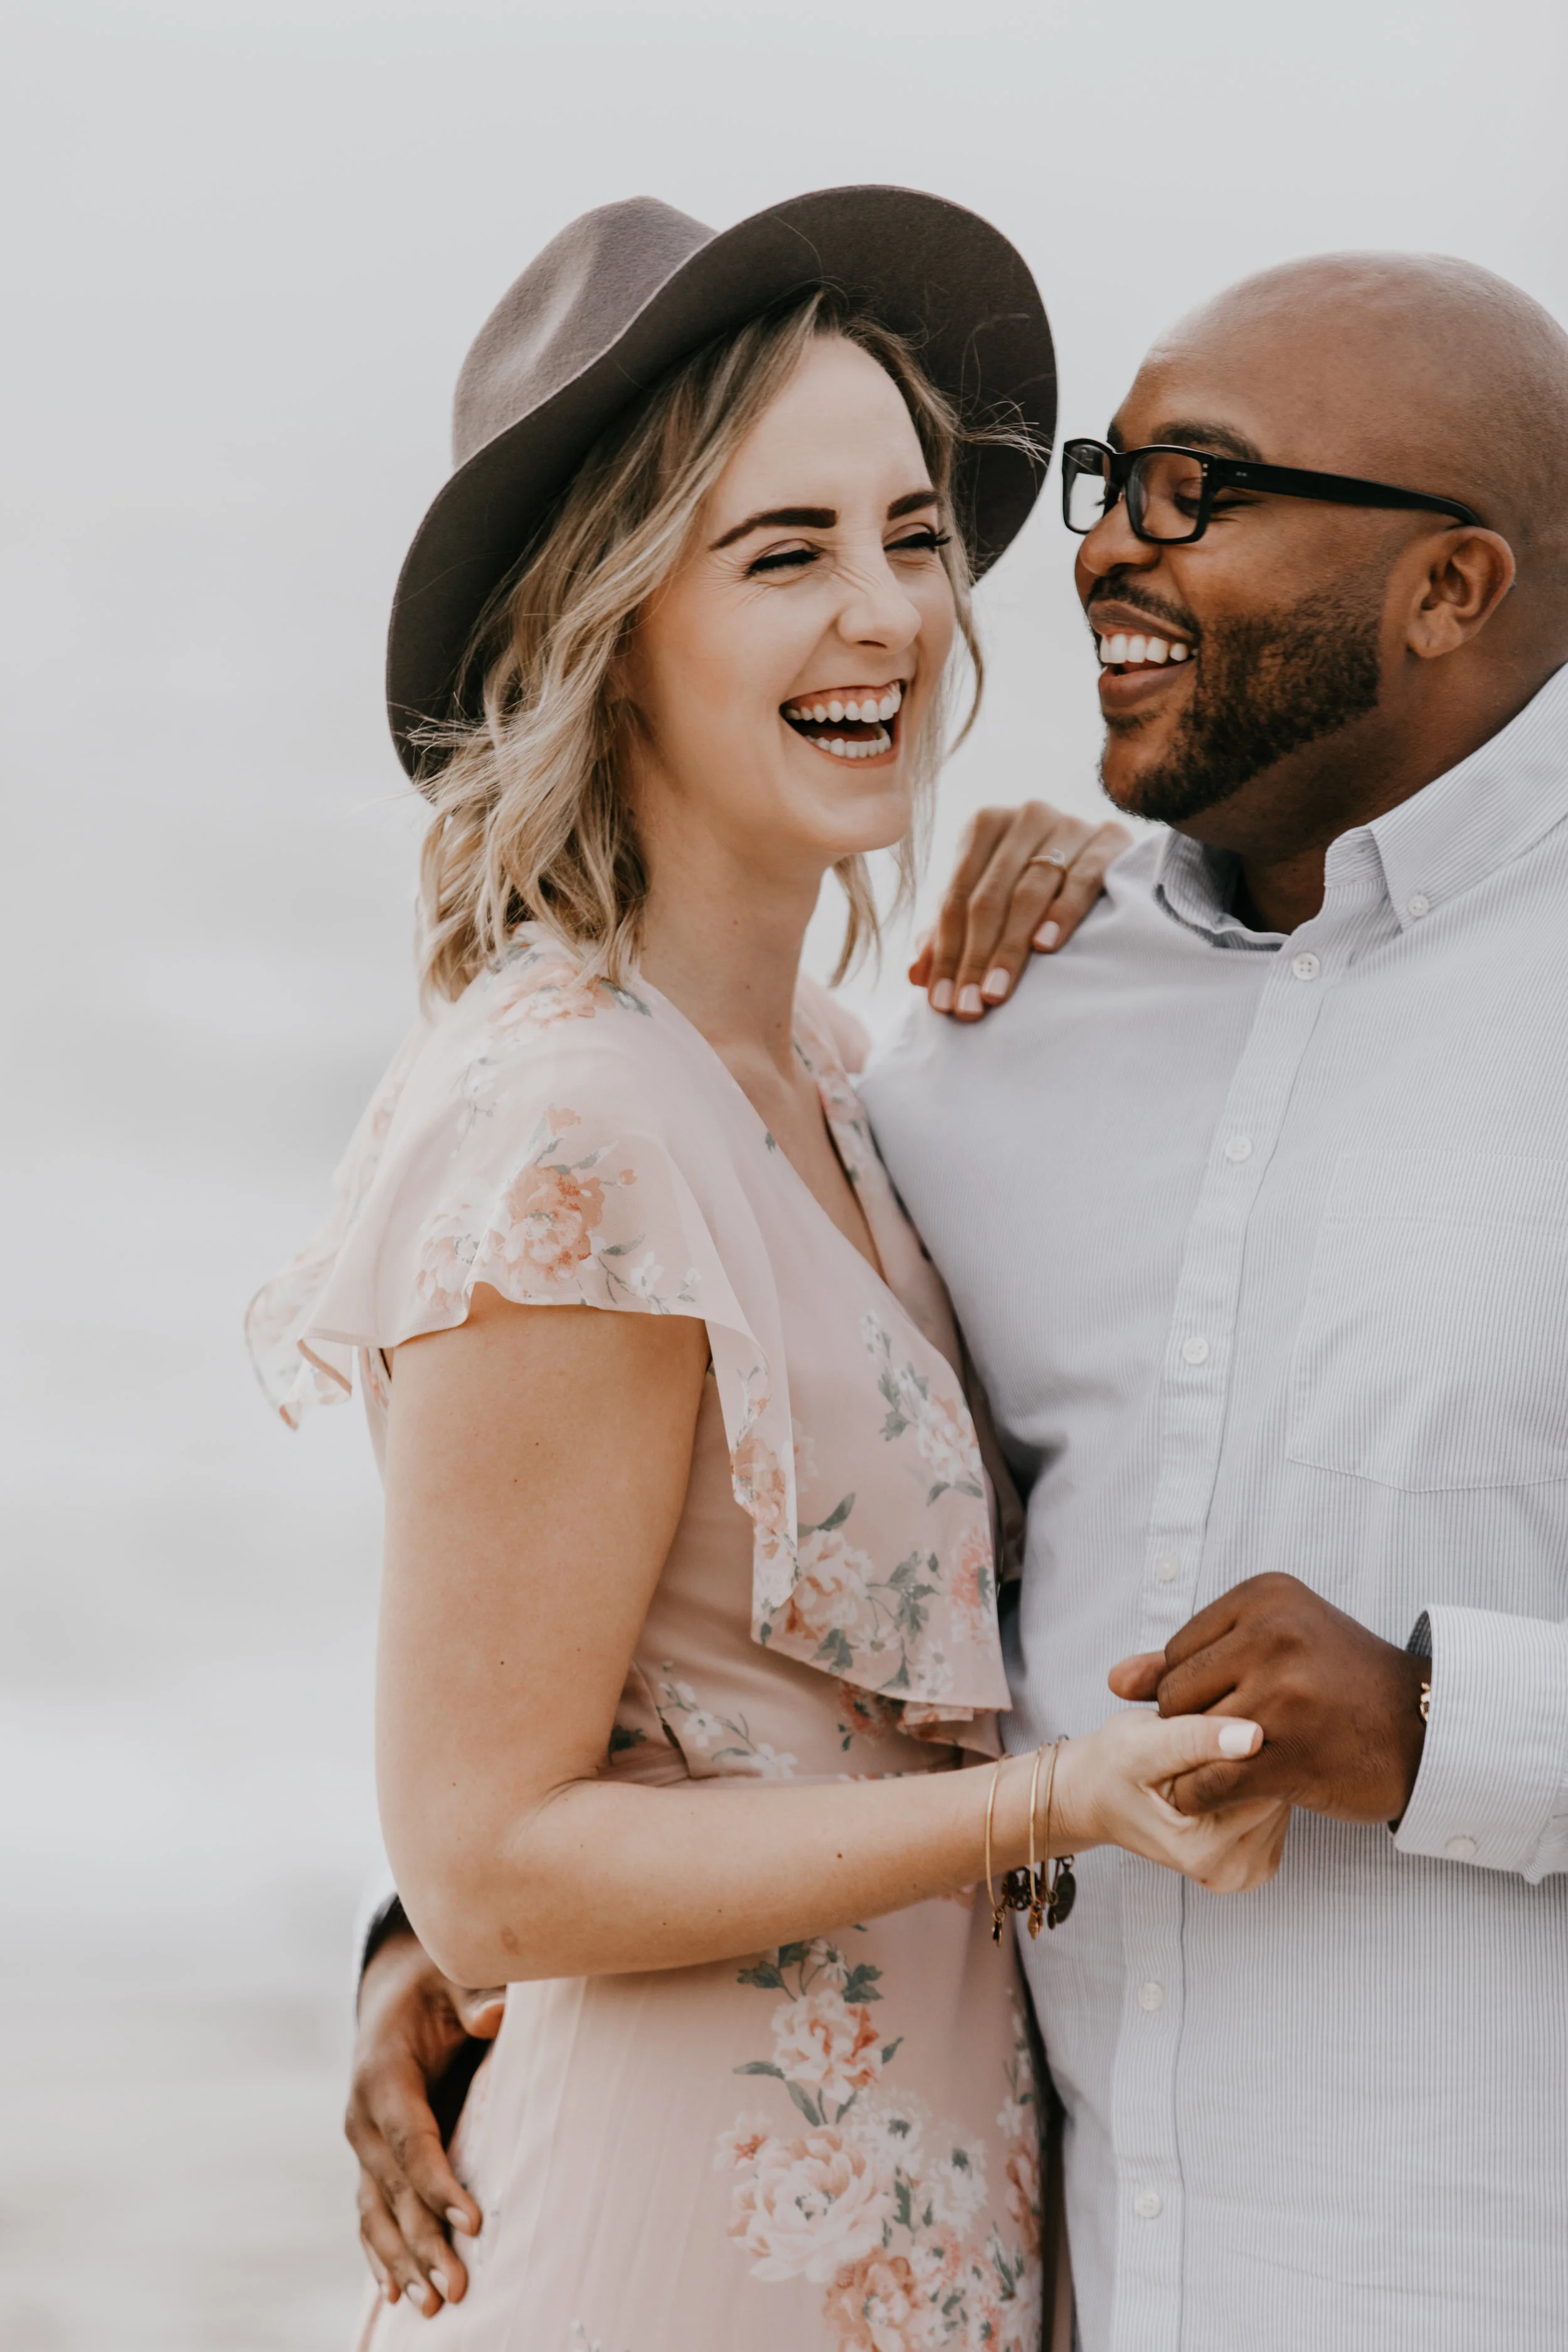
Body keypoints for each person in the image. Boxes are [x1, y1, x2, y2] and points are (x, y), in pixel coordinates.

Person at [355, 246, 1568, 2349]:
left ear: (1448, 587)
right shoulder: (958, 1044)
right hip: (822, 2252)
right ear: (612, 629)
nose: (1085, 552)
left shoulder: (850, 1074)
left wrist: (1449, 1723)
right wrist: (436, 1930)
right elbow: (579, 1701)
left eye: (1196, 489)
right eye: (1107, 475)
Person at [248, 189, 1283, 2352]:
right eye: (783, 553)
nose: (888, 613)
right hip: (674, 2257)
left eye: (909, 536)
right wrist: (1052, 1799)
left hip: (906, 2230)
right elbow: (491, 1862)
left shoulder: (824, 1072)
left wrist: (1132, 920)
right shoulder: (574, 1118)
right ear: (612, 621)